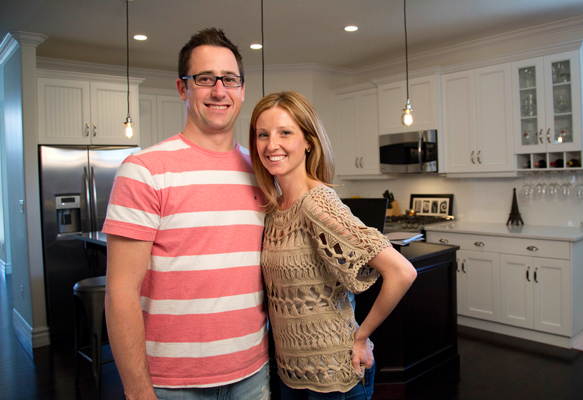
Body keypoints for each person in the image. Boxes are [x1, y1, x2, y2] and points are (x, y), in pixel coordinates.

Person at [103, 28, 270, 400]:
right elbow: (120, 293)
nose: (219, 91)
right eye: (204, 79)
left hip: (253, 374)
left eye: (229, 79)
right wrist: (137, 391)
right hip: (170, 385)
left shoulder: (262, 172)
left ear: (242, 89)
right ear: (183, 88)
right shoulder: (144, 169)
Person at [249, 91, 418, 399]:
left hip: (336, 374)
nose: (271, 144)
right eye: (263, 134)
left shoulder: (318, 203)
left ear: (308, 141)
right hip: (291, 374)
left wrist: (361, 336)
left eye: (285, 132)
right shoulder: (275, 209)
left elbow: (402, 271)